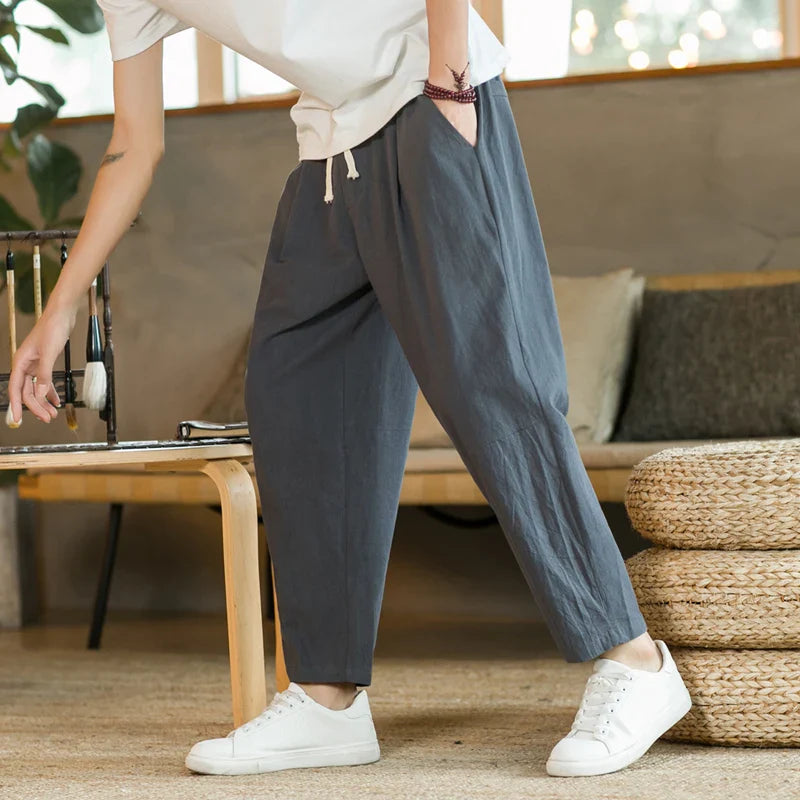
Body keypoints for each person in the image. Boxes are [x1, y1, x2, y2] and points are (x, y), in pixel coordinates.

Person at [7, 0, 692, 779]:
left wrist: (452, 83)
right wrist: (59, 309)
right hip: (330, 150)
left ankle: (635, 661)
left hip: (428, 101)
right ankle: (329, 699)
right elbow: (134, 146)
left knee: (492, 383)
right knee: (297, 395)